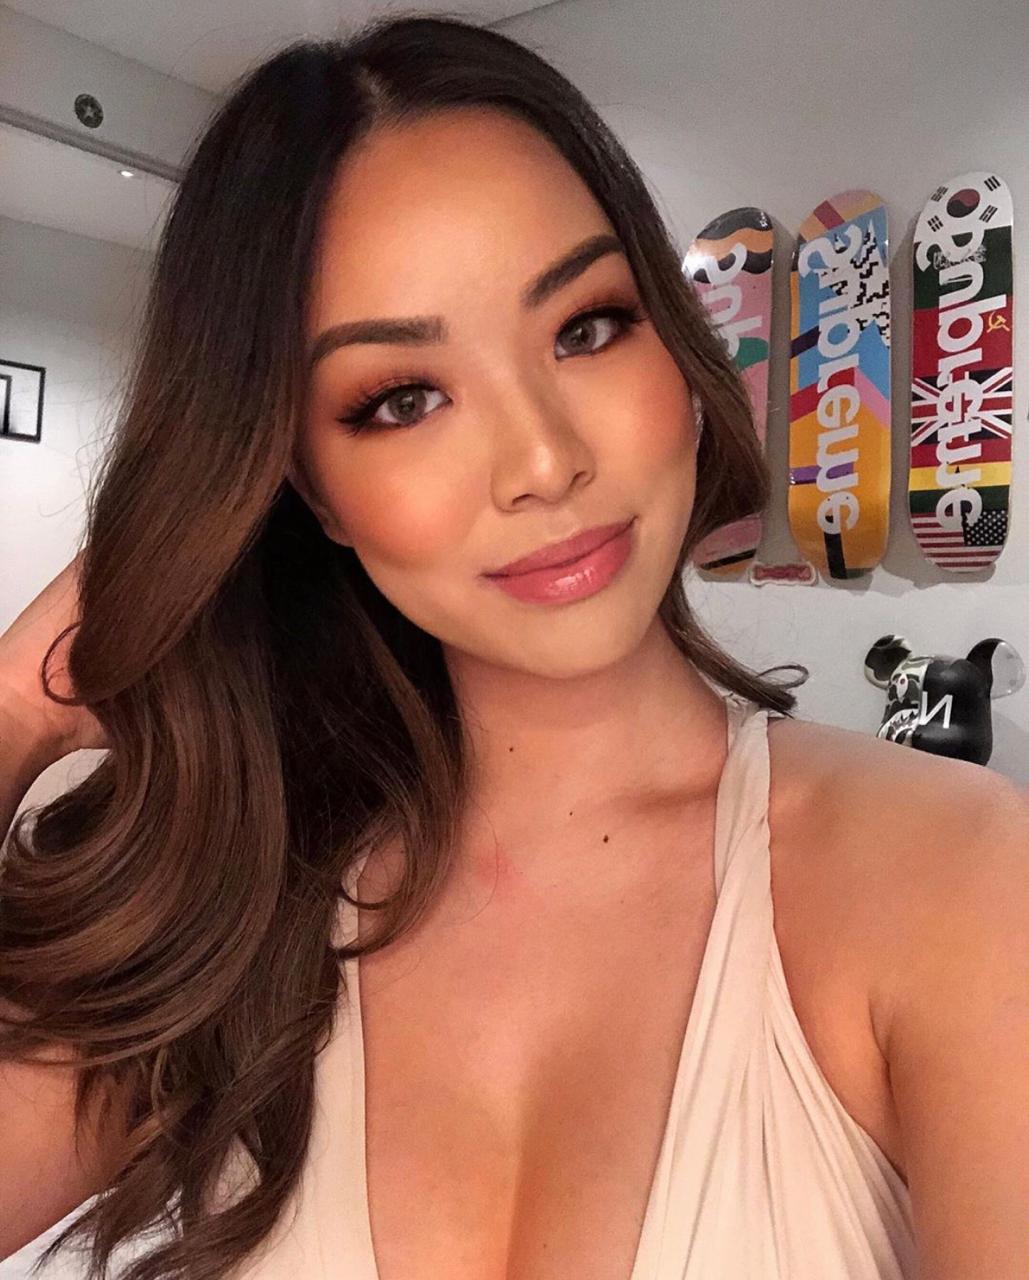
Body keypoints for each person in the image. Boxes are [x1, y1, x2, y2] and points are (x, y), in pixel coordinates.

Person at [1, 13, 1027, 1280]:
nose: (544, 460)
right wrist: (16, 709)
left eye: (587, 326)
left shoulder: (954, 878)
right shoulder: (234, 912)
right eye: (402, 398)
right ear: (309, 490)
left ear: (674, 343)